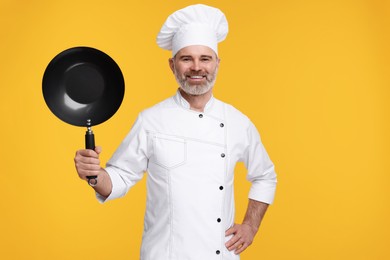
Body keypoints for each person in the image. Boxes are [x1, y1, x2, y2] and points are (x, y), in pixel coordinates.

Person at [74, 4, 277, 260]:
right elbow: (120, 177)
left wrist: (251, 225)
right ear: (172, 65)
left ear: (217, 64)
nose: (196, 67)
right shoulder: (151, 120)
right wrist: (94, 175)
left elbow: (265, 176)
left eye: (205, 58)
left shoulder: (238, 122)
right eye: (186, 58)